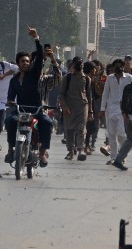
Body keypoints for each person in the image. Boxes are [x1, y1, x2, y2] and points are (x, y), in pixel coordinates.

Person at [4, 27, 59, 167]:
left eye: (27, 61)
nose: (25, 63)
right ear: (18, 63)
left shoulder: (34, 75)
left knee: (47, 123)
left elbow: (40, 57)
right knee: (10, 121)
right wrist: (10, 102)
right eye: (22, 61)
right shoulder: (14, 80)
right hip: (20, 111)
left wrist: (36, 38)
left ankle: (42, 154)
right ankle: (10, 150)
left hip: (37, 111)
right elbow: (11, 96)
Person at [100, 59, 132, 166]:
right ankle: (114, 158)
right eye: (116, 66)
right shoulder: (110, 78)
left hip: (123, 110)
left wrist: (131, 108)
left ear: (123, 67)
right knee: (111, 134)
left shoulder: (129, 77)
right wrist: (102, 109)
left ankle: (122, 155)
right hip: (110, 109)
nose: (118, 67)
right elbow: (105, 93)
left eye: (120, 66)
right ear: (113, 68)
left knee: (121, 134)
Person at [59, 56, 92, 162]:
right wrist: (64, 107)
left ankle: (81, 149)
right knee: (69, 129)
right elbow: (61, 94)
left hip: (82, 107)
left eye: (81, 64)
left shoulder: (87, 79)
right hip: (69, 107)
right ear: (73, 65)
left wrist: (90, 111)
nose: (80, 65)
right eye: (77, 63)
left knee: (81, 128)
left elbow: (89, 96)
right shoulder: (67, 78)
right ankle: (70, 151)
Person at [0, 58, 20, 155]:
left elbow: (17, 69)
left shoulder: (5, 65)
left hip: (6, 102)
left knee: (5, 124)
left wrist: (4, 75)